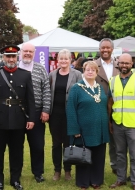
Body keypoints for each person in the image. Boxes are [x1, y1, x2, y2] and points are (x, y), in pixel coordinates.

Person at [0, 45, 35, 190]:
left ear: (17, 57)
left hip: (19, 120)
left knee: (17, 152)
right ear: (4, 57)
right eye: (8, 56)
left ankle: (15, 180)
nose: (11, 59)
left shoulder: (25, 74)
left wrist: (31, 118)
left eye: (13, 56)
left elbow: (30, 99)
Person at [66, 61, 110, 190]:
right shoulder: (76, 88)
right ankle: (83, 182)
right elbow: (71, 110)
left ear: (97, 73)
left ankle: (96, 180)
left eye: (93, 70)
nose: (90, 72)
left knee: (98, 155)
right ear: (83, 72)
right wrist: (74, 129)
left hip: (100, 129)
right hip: (83, 130)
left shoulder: (100, 88)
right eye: (87, 70)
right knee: (84, 156)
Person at [108, 53, 135, 190]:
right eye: (122, 63)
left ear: (132, 64)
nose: (124, 65)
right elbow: (110, 102)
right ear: (118, 64)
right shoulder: (113, 80)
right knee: (120, 154)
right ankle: (121, 179)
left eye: (127, 63)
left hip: (134, 124)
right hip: (118, 123)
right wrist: (110, 121)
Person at [19, 43, 51, 183]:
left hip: (37, 113)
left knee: (37, 145)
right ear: (21, 52)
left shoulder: (40, 68)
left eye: (30, 51)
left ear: (34, 53)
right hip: (18, 113)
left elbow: (46, 91)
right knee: (16, 145)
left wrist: (45, 110)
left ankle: (38, 172)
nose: (27, 53)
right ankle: (16, 171)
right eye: (25, 51)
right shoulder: (15, 67)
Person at [48, 49, 82, 181]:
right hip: (55, 114)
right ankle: (57, 170)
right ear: (57, 60)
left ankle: (68, 170)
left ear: (70, 60)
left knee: (68, 143)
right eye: (61, 58)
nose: (63, 61)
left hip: (70, 114)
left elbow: (80, 93)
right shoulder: (52, 75)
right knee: (56, 144)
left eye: (66, 58)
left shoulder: (77, 74)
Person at [95, 38, 120, 175]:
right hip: (98, 107)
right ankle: (96, 167)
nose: (105, 50)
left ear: (112, 49)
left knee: (115, 140)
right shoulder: (93, 65)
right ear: (100, 49)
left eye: (108, 48)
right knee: (97, 140)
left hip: (116, 108)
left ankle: (115, 166)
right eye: (103, 47)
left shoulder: (119, 65)